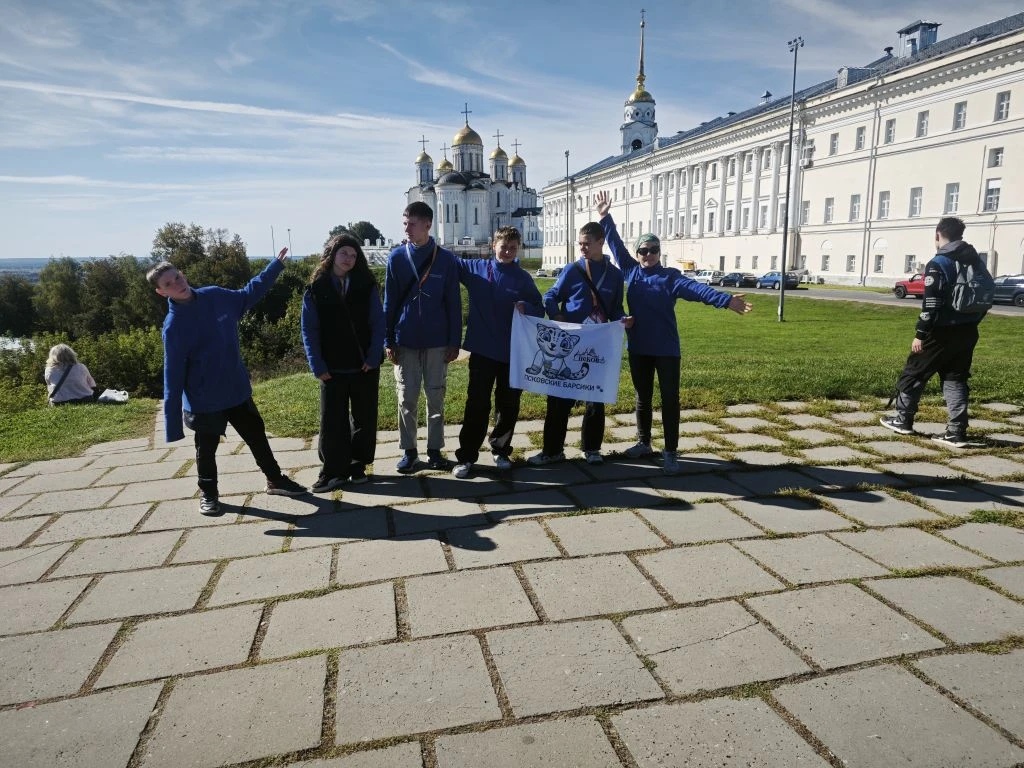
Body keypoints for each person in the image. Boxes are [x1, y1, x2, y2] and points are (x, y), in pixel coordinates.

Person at [595, 191, 752, 474]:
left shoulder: (671, 277)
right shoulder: (631, 271)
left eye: (653, 250)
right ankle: (644, 443)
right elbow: (615, 245)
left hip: (666, 350)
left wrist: (726, 300)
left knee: (670, 400)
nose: (648, 255)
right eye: (643, 250)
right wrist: (605, 217)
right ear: (637, 253)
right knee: (642, 398)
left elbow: (698, 290)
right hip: (639, 348)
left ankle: (670, 452)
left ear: (659, 253)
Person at [148, 249, 307, 516]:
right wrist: (172, 424)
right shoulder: (174, 326)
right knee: (206, 449)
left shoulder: (215, 296)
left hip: (235, 388)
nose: (177, 283)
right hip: (204, 399)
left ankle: (275, 480)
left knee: (257, 436)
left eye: (177, 277)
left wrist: (275, 267)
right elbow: (172, 374)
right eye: (168, 283)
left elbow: (248, 294)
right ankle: (209, 494)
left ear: (183, 274)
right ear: (161, 292)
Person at [527, 221, 632, 467]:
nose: (582, 248)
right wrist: (556, 315)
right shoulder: (572, 269)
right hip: (569, 343)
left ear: (600, 242)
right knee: (559, 397)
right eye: (580, 244)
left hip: (598, 344)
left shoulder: (615, 275)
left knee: (596, 396)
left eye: (586, 244)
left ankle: (592, 448)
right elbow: (550, 295)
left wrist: (622, 319)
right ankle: (552, 450)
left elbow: (615, 308)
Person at [880, 216, 986, 448]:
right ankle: (956, 431)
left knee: (914, 372)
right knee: (956, 377)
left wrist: (920, 334)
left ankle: (903, 419)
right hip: (968, 330)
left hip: (939, 332)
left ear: (938, 234)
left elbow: (931, 304)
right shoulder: (975, 261)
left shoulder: (939, 263)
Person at [451, 227, 544, 479]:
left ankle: (501, 450)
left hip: (513, 352)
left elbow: (539, 307)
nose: (507, 252)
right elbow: (449, 261)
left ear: (518, 249)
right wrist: (424, 241)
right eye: (503, 247)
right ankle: (467, 456)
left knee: (508, 404)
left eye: (513, 248)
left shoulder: (522, 278)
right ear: (494, 245)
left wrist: (526, 306)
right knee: (477, 403)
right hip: (482, 350)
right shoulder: (476, 269)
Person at [301, 234, 385, 492]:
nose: (349, 258)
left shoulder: (366, 285)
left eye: (353, 254)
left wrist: (373, 357)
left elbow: (377, 322)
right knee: (332, 421)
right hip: (332, 367)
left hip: (364, 365)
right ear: (332, 254)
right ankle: (332, 471)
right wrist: (317, 364)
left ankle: (357, 464)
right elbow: (309, 330)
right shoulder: (316, 288)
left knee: (364, 419)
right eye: (343, 253)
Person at [383, 202, 461, 473]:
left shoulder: (445, 259)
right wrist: (388, 340)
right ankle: (409, 452)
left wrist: (454, 341)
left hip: (437, 340)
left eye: (412, 224)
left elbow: (453, 302)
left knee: (436, 397)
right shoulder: (396, 258)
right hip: (405, 339)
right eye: (405, 223)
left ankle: (435, 451)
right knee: (406, 397)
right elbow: (389, 302)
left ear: (428, 224)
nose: (407, 229)